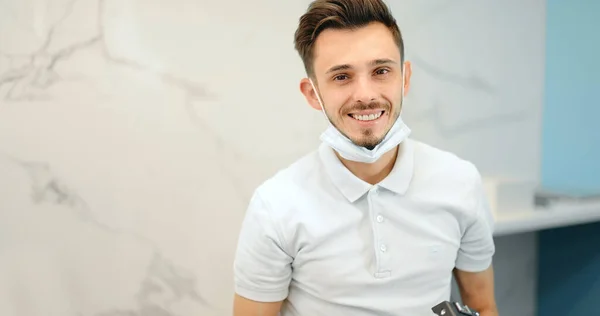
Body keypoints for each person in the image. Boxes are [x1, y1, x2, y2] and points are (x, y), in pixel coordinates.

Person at [232, 0, 498, 315]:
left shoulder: (460, 182)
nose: (365, 95)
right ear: (311, 93)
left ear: (405, 78)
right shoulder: (275, 206)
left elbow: (483, 306)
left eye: (381, 71)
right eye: (342, 77)